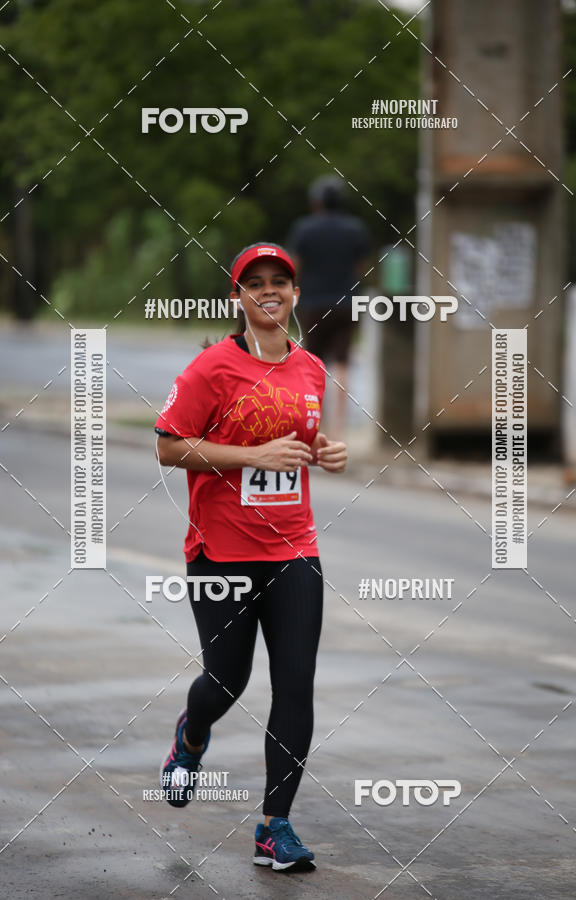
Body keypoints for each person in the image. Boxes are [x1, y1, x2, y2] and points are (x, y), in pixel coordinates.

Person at [154, 242, 347, 873]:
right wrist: (250, 458)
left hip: (295, 549)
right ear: (238, 296)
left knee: (295, 685)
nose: (269, 290)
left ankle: (274, 827)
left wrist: (323, 452)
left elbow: (297, 440)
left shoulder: (311, 368)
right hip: (221, 553)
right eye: (254, 282)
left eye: (279, 281)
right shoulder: (211, 368)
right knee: (226, 681)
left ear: (295, 293)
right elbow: (168, 446)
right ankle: (191, 736)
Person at [288, 175, 370, 439]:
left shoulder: (304, 229)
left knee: (315, 364)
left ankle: (316, 424)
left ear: (316, 202)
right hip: (347, 304)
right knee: (343, 362)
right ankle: (339, 428)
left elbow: (295, 267)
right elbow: (361, 268)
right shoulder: (355, 229)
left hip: (313, 303)